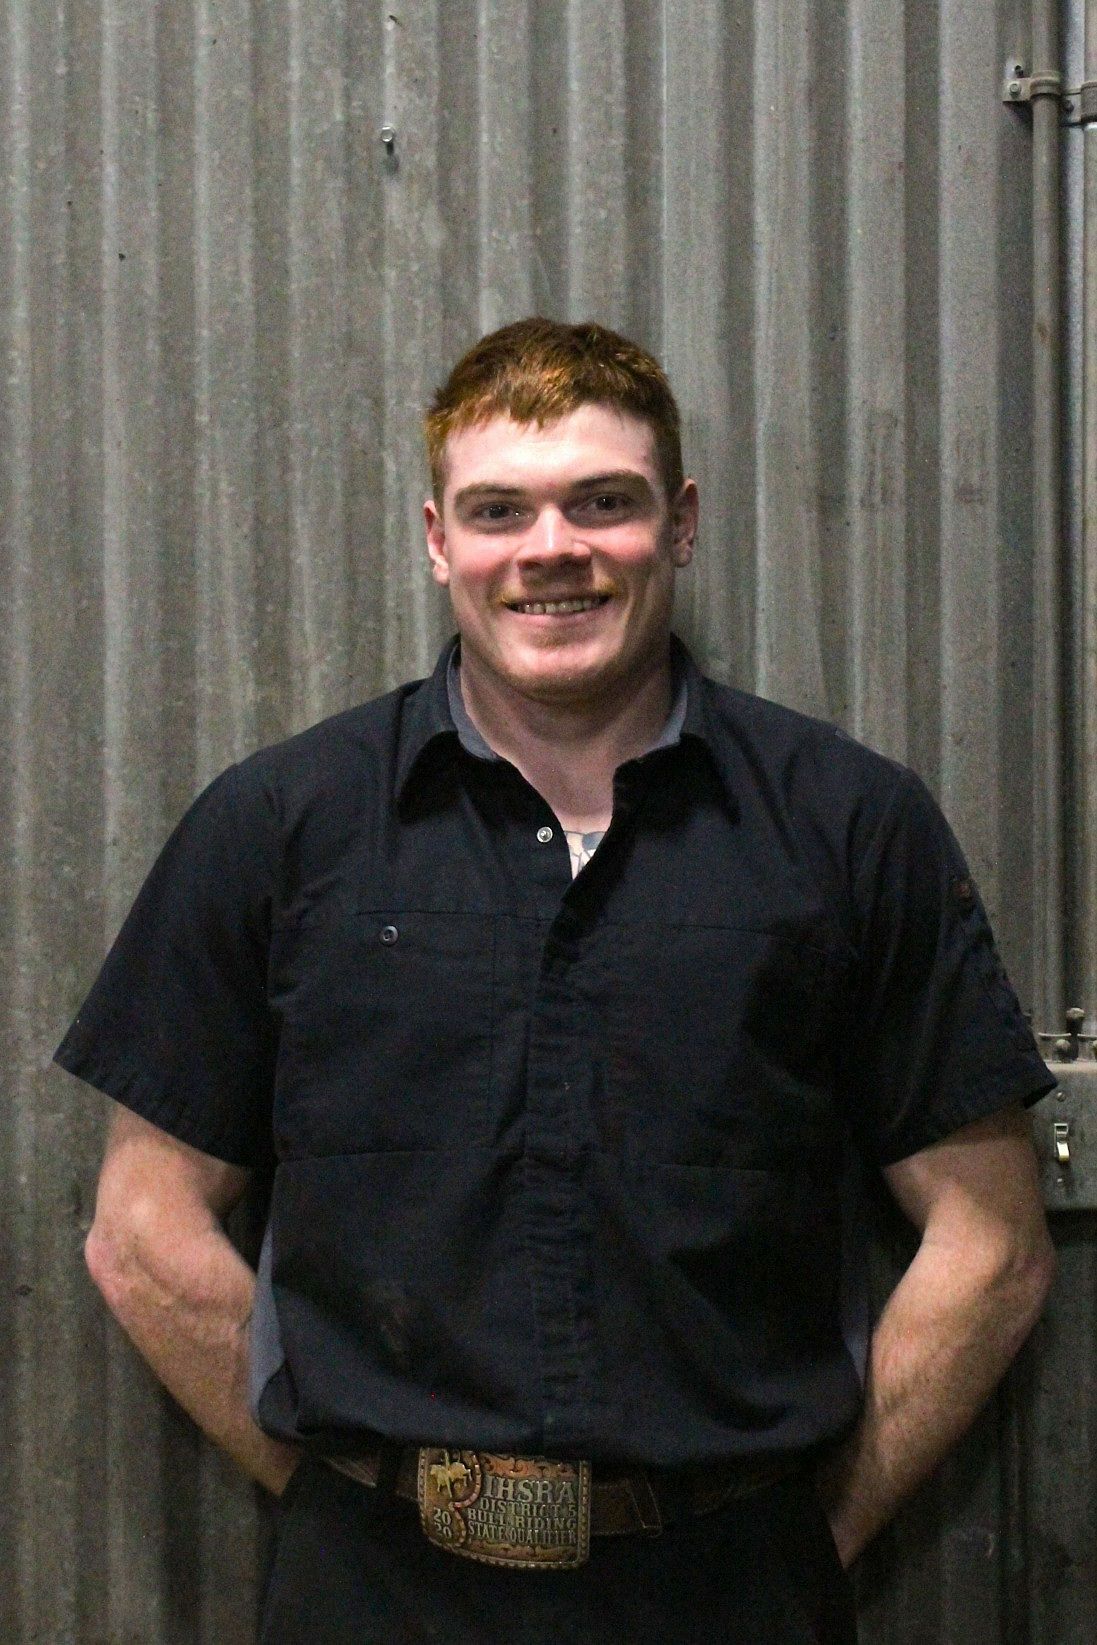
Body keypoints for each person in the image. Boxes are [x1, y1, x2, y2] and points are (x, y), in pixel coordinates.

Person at [56, 317, 1057, 1644]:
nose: (550, 549)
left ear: (680, 522)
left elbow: (988, 1243)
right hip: (373, 1593)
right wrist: (340, 1502)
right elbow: (140, 1231)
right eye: (499, 510)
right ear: (437, 539)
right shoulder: (279, 827)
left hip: (731, 1588)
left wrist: (806, 1539)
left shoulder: (845, 826)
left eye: (603, 502)